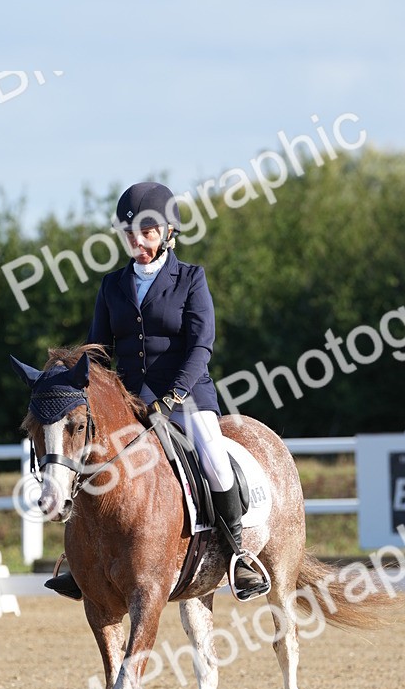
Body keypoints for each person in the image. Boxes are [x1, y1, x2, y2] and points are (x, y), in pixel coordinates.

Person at [48, 181, 269, 602]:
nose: (138, 242)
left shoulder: (190, 279)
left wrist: (172, 396)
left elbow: (200, 347)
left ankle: (239, 554)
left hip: (187, 398)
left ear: (169, 233)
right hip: (130, 404)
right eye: (130, 235)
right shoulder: (112, 286)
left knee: (214, 460)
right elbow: (98, 351)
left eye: (147, 233)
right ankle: (81, 561)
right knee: (90, 464)